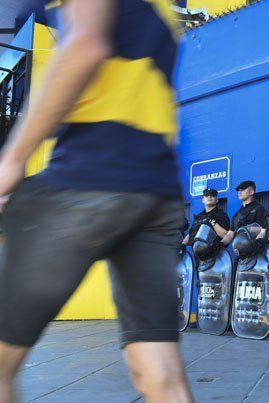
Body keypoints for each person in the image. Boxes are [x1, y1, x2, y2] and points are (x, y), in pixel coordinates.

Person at [0, 1, 193, 401]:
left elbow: (85, 46)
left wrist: (13, 158)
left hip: (90, 177)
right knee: (159, 372)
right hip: (155, 190)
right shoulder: (160, 10)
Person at [222, 180, 267, 244]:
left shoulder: (259, 209)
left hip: (255, 247)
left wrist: (248, 228)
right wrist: (220, 244)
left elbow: (264, 229)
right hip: (239, 247)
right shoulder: (237, 214)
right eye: (239, 190)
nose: (239, 192)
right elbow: (230, 234)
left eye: (242, 190)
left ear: (251, 192)